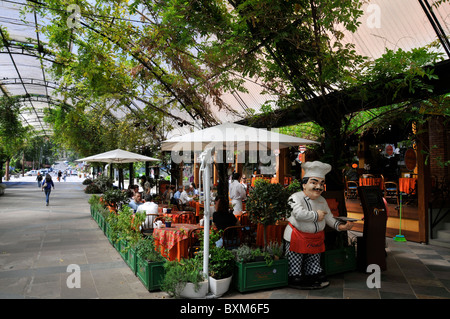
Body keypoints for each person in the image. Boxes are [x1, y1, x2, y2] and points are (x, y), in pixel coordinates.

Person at [283, 161, 354, 289]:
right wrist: (315, 215)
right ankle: (294, 276)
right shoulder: (295, 197)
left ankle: (313, 273)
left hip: (315, 238)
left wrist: (341, 227)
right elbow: (298, 214)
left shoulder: (322, 200)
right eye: (314, 183)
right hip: (297, 236)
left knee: (314, 260)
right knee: (295, 261)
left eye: (321, 184)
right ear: (304, 184)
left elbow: (329, 217)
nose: (318, 187)